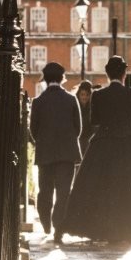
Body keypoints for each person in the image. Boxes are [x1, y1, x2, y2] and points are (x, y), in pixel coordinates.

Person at [62, 56, 131, 243]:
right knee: (128, 188)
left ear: (107, 74)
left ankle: (101, 228)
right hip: (127, 144)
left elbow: (95, 121)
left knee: (101, 187)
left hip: (104, 143)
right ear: (124, 74)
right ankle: (127, 231)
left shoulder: (99, 95)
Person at [29, 62, 82, 244]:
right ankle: (58, 227)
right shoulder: (71, 99)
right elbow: (78, 128)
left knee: (45, 191)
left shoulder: (38, 102)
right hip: (67, 154)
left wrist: (44, 142)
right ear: (61, 79)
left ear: (45, 80)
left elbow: (33, 130)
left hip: (45, 153)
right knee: (63, 192)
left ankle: (45, 223)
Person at [75, 81, 94, 156]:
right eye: (82, 95)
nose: (84, 97)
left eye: (87, 95)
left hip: (89, 141)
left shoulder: (92, 108)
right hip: (78, 140)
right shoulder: (75, 107)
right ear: (78, 95)